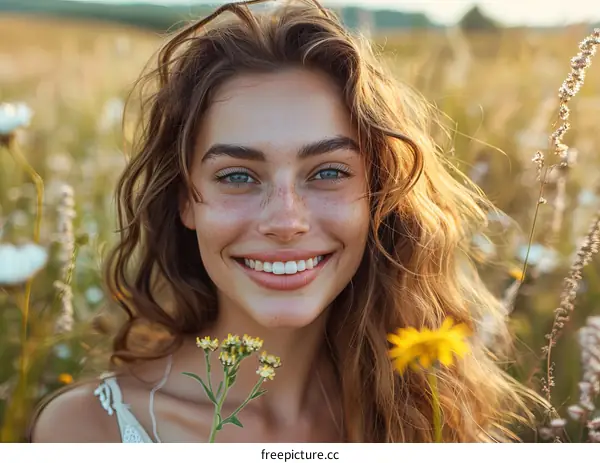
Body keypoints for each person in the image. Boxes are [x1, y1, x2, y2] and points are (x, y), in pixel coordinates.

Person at [29, 0, 540, 443]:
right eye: (237, 177)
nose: (286, 221)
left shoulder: (437, 416)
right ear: (186, 200)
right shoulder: (87, 430)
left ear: (379, 197)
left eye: (328, 172)